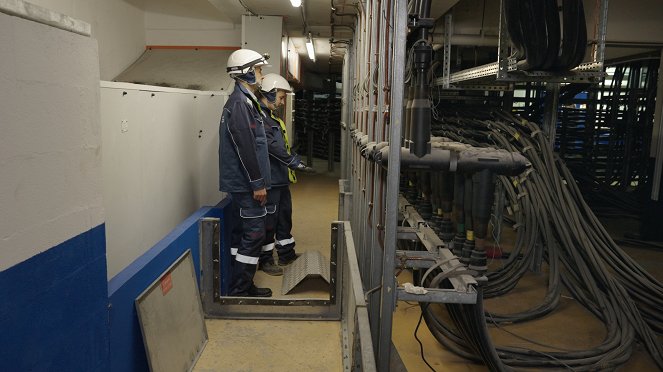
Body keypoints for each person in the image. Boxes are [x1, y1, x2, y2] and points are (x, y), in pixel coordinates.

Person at [219, 48, 273, 297]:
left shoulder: (244, 102)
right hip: (246, 184)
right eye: (259, 70)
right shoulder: (240, 104)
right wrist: (257, 183)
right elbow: (246, 147)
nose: (261, 76)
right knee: (254, 233)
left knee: (242, 233)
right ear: (247, 73)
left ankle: (238, 283)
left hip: (242, 183)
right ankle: (240, 289)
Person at [256, 74, 314, 276]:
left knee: (284, 218)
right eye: (280, 97)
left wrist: (293, 158)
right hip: (270, 180)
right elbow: (271, 147)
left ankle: (286, 253)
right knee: (269, 222)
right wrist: (292, 161)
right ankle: (265, 260)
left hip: (281, 180)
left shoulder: (272, 118)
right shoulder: (259, 118)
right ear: (270, 93)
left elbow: (282, 145)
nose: (282, 102)